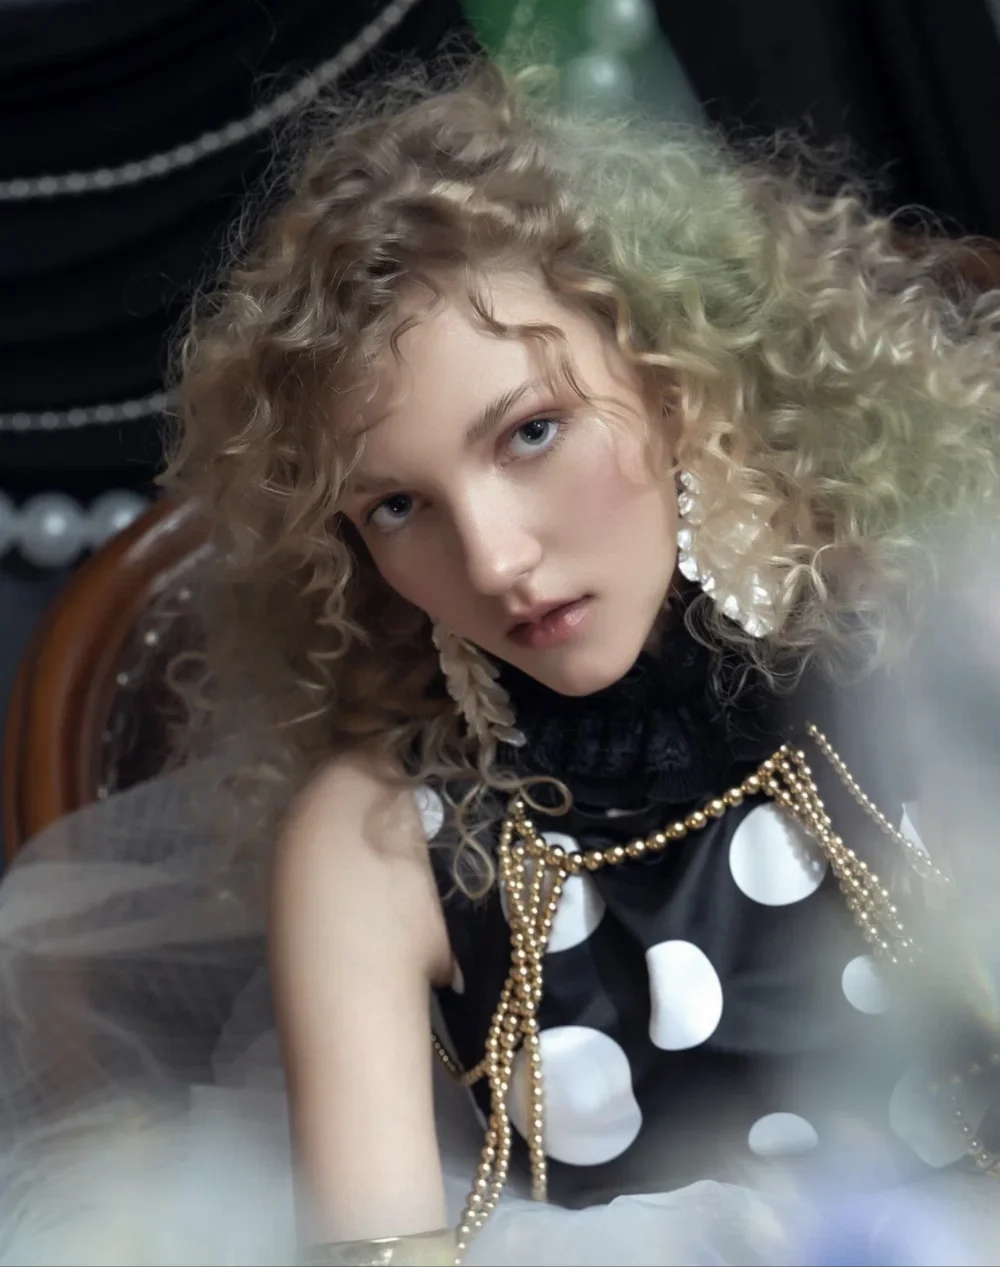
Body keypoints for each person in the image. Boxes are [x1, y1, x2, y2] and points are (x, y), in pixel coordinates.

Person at [2, 58, 1000, 1267]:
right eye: (395, 507)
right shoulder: (377, 845)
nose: (492, 558)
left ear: (676, 374)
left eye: (532, 432)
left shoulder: (929, 658)